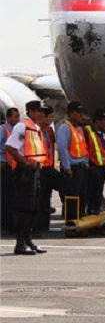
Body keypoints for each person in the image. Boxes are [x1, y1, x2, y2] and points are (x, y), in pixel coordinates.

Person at [5, 101, 48, 255]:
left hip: (34, 171)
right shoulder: (22, 126)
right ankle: (20, 243)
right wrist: (24, 161)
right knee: (25, 208)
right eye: (38, 111)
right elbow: (10, 147)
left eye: (42, 111)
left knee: (33, 207)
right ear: (29, 111)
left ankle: (28, 240)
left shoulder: (35, 127)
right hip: (25, 172)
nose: (41, 114)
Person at [56, 101, 89, 219]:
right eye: (79, 113)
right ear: (72, 114)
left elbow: (83, 148)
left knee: (82, 195)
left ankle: (79, 218)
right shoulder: (65, 127)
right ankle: (71, 221)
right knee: (72, 195)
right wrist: (67, 167)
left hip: (81, 167)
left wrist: (86, 163)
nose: (82, 116)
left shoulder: (79, 128)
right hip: (72, 167)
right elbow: (62, 148)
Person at [36, 105, 62, 233]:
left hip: (49, 167)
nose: (52, 119)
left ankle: (45, 224)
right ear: (43, 117)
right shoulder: (36, 131)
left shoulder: (49, 131)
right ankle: (39, 226)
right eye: (50, 117)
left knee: (47, 196)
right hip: (40, 169)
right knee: (40, 197)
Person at [85, 110, 105, 215]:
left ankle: (97, 210)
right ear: (96, 121)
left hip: (103, 166)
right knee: (92, 191)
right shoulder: (89, 132)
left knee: (99, 190)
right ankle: (91, 211)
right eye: (103, 120)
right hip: (92, 165)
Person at [1, 107, 20, 234]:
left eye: (18, 117)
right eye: (15, 116)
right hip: (5, 166)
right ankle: (5, 225)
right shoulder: (3, 129)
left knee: (14, 197)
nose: (17, 119)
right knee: (6, 197)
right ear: (8, 117)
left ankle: (12, 224)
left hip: (14, 167)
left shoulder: (16, 130)